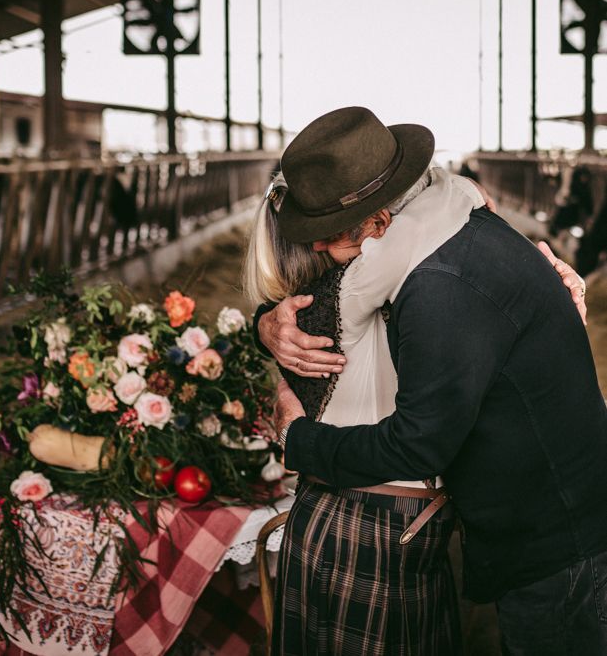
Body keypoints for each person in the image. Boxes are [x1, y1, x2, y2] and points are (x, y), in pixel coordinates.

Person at [255, 106, 604, 656]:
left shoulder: (437, 285)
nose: (317, 247)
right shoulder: (453, 223)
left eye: (327, 232)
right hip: (559, 519)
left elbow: (420, 442)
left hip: (559, 547)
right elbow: (324, 306)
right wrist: (265, 325)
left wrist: (300, 441)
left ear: (379, 222)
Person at [245, 166, 485, 654]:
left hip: (361, 516)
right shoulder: (344, 297)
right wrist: (427, 172)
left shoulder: (299, 318)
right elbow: (450, 204)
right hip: (370, 525)